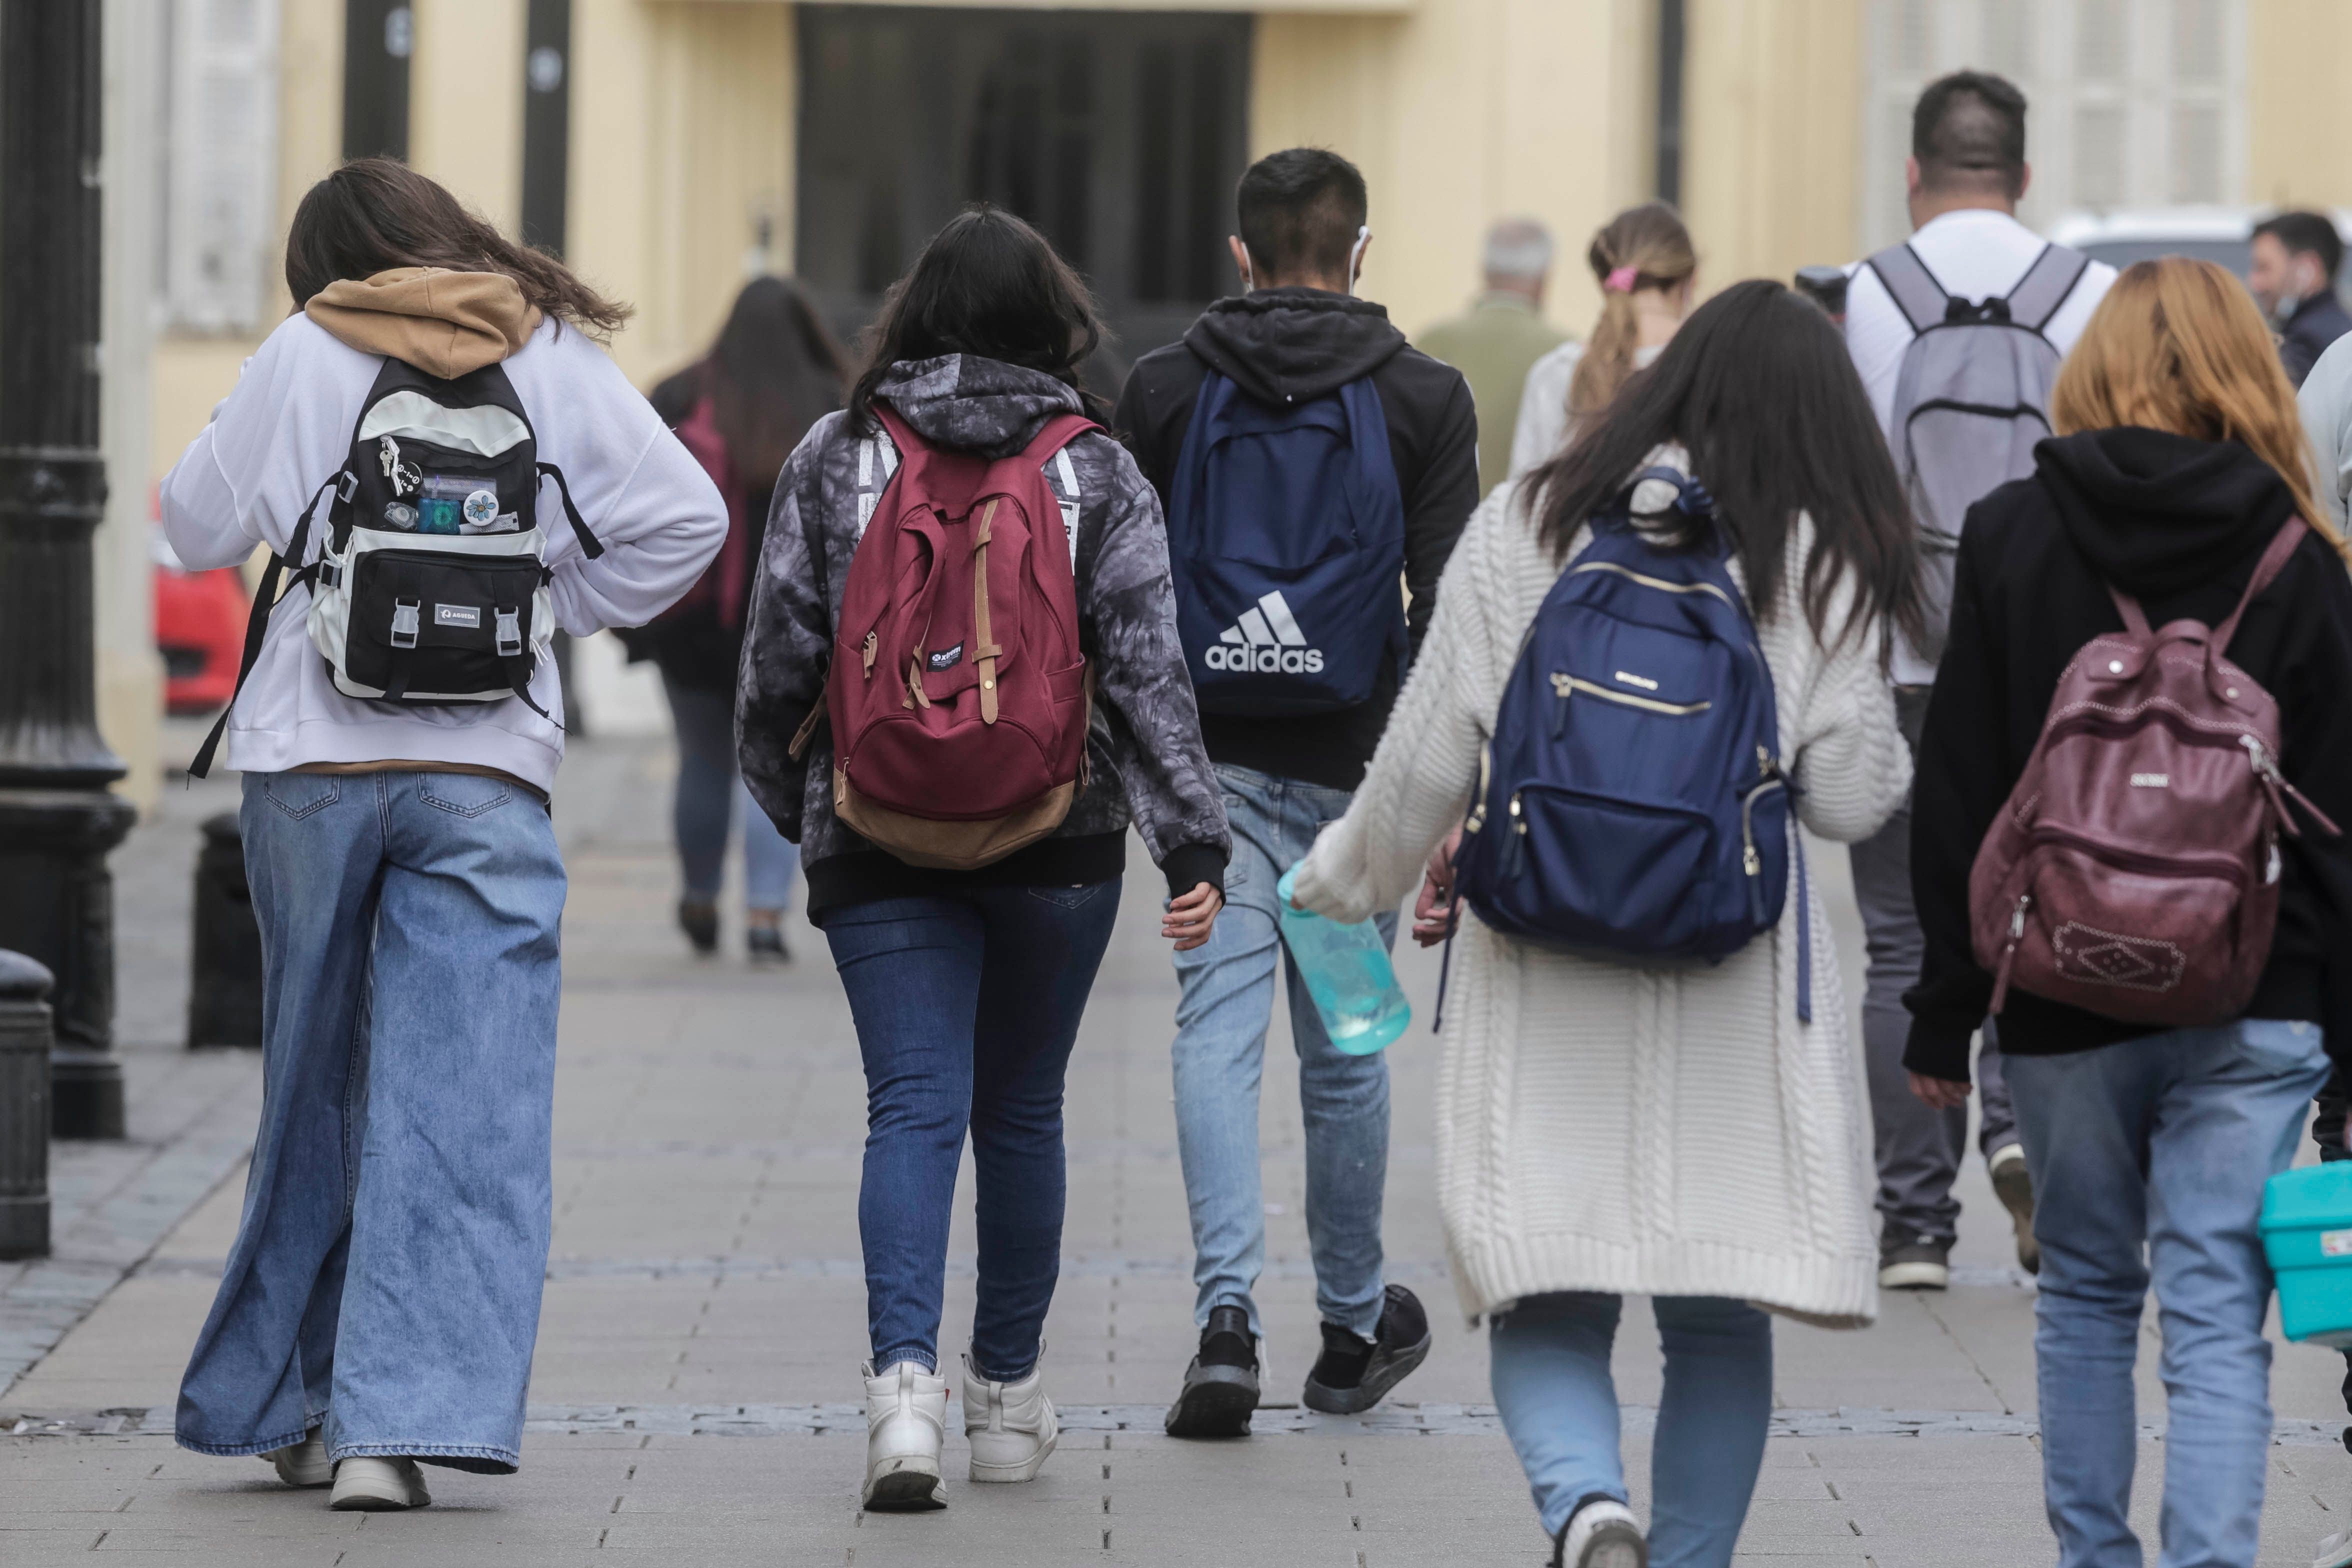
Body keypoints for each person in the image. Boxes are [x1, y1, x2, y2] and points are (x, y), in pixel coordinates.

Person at [1292, 278, 1916, 1568]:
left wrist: (1338, 882)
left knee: (1550, 1296)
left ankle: (1587, 1511)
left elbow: (1420, 768)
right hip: (1731, 986)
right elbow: (1853, 802)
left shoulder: (1531, 524)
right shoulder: (1817, 556)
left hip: (1542, 965)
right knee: (1716, 1319)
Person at [160, 159, 726, 1510]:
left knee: (318, 1084)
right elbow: (687, 521)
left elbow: (187, 529)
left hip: (309, 758)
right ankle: (391, 1432)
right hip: (485, 768)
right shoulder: (545, 349)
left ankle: (293, 1400)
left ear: (332, 265)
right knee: (462, 1099)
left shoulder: (305, 348)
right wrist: (550, 596)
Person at [736, 206, 1230, 1510]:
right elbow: (1146, 672)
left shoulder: (839, 455)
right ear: (1053, 326)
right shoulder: (1096, 466)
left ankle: (904, 1401)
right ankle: (1006, 1405)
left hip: (877, 823)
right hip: (1057, 834)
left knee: (909, 1107)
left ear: (913, 320)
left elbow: (776, 654)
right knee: (1021, 1113)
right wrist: (1194, 842)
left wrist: (800, 811)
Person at [1906, 256, 2352, 1568]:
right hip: (2257, 991)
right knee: (2218, 1312)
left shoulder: (2009, 533)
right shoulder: (2302, 556)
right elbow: (2339, 824)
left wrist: (1944, 1016)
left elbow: (1964, 788)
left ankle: (2096, 1560)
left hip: (2060, 991)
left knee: (2091, 1295)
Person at [1113, 146, 1478, 1438]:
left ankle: (1225, 1326)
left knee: (1214, 1037)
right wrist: (1433, 803)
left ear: (1240, 255)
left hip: (1206, 776)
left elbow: (1130, 605)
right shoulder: (1426, 396)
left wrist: (1145, 783)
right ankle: (1349, 1324)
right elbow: (1448, 619)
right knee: (1346, 1051)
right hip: (1356, 789)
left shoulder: (1158, 388)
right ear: (1360, 251)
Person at [1840, 68, 2116, 1290]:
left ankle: (1912, 1228)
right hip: (2052, 672)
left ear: (1914, 170)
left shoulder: (1863, 297)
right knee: (2046, 919)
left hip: (1902, 657)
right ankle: (2022, 1141)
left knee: (1899, 938)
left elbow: (1836, 491)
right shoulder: (2088, 292)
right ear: (2024, 171)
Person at [634, 277, 849, 960]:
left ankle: (699, 898)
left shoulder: (681, 396)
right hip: (798, 627)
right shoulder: (833, 404)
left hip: (693, 629)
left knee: (701, 760)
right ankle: (764, 917)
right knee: (778, 765)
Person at [1508, 202, 1696, 480]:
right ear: (1688, 283)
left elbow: (1521, 507)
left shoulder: (1556, 373)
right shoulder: (1720, 369)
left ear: (1602, 282)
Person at [1416, 217, 1568, 494]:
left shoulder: (1431, 343)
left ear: (1485, 272)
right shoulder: (1566, 353)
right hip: (1527, 528)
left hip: (1440, 529)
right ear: (1543, 279)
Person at [2250, 210, 2352, 389]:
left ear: (2308, 269)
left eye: (2264, 268)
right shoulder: (2337, 327)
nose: (2255, 283)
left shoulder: (2307, 342)